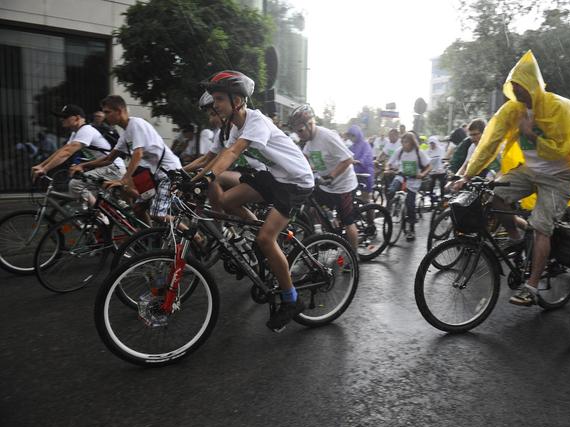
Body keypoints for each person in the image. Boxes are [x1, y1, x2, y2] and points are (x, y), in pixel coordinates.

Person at [452, 50, 570, 307]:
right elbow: (489, 143)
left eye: (521, 86)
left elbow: (560, 148)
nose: (517, 92)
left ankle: (532, 287)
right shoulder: (512, 110)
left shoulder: (559, 107)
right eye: (513, 87)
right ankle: (515, 235)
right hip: (530, 171)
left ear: (534, 85)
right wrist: (466, 175)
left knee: (541, 228)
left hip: (560, 177)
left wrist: (531, 134)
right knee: (495, 195)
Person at [193, 70, 315, 332]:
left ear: (237, 100)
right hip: (273, 176)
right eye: (214, 99)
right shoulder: (231, 126)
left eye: (219, 99)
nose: (215, 105)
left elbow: (233, 152)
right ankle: (263, 234)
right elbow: (209, 158)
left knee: (264, 240)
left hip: (295, 181)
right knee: (225, 202)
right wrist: (183, 173)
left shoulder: (255, 121)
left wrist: (207, 177)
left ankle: (291, 299)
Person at [69, 96, 181, 223]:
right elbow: (109, 159)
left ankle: (194, 235)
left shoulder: (136, 124)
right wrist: (83, 165)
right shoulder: (125, 133)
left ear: (120, 110)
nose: (105, 116)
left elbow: (138, 153)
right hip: (151, 173)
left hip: (168, 172)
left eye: (107, 112)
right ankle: (149, 237)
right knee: (138, 209)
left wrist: (124, 180)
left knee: (157, 215)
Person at [290, 105, 359, 249]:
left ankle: (354, 256)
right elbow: (305, 158)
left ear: (310, 124)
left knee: (348, 223)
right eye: (296, 132)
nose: (299, 134)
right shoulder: (309, 140)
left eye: (300, 130)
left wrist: (331, 177)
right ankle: (330, 238)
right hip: (325, 185)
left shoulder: (327, 136)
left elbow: (348, 159)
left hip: (342, 186)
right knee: (316, 211)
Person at [31, 104, 126, 207]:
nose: (61, 120)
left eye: (65, 117)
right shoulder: (76, 132)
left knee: (75, 185)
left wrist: (45, 169)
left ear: (77, 118)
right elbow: (62, 150)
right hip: (104, 169)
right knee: (88, 198)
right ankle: (99, 217)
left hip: (113, 168)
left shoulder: (86, 130)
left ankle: (101, 218)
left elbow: (67, 152)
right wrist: (42, 165)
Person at [387, 132, 432, 241]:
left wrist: (422, 174)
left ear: (412, 143)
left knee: (410, 204)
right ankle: (391, 208)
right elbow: (390, 162)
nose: (403, 144)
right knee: (391, 190)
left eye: (406, 142)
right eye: (402, 142)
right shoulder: (400, 151)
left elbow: (429, 166)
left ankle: (411, 229)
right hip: (401, 177)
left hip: (413, 181)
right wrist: (387, 169)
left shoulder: (418, 152)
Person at [346, 125, 374, 206]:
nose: (351, 137)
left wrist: (360, 161)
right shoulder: (352, 146)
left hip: (366, 172)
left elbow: (366, 155)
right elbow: (346, 154)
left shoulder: (365, 144)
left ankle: (370, 218)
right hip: (355, 173)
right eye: (350, 135)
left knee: (366, 199)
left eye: (353, 135)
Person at [426, 136, 447, 204]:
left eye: (433, 143)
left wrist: (442, 166)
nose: (432, 145)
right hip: (432, 172)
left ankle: (442, 201)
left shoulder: (441, 150)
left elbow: (443, 159)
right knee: (431, 186)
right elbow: (426, 161)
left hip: (441, 171)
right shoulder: (428, 151)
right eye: (431, 143)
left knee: (442, 186)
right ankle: (432, 202)